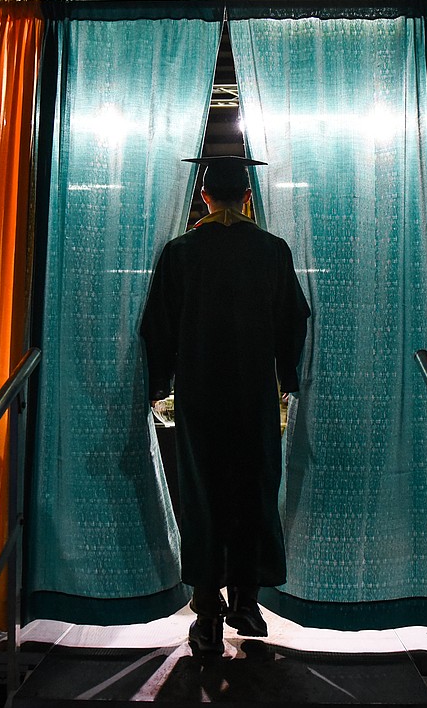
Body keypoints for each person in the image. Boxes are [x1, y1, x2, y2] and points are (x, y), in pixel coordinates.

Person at [140, 155, 310, 656]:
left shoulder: (181, 252)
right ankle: (248, 602)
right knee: (253, 493)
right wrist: (286, 377)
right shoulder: (272, 251)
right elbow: (294, 319)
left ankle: (208, 615)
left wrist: (158, 384)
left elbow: (158, 327)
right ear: (250, 198)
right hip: (253, 396)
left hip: (201, 398)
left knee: (204, 498)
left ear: (205, 196)